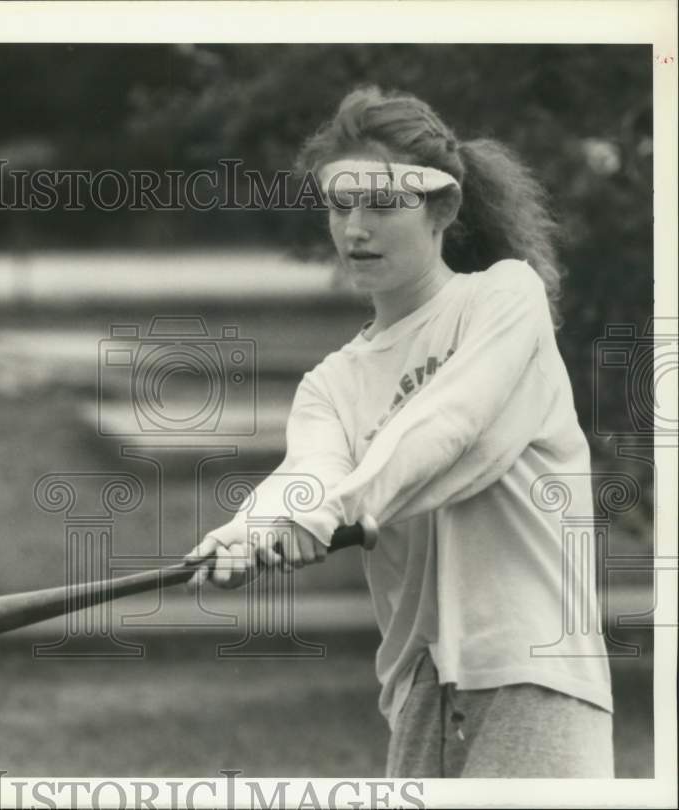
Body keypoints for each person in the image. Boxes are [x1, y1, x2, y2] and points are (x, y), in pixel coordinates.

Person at [186, 85, 614, 778]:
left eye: (382, 205)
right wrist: (255, 524)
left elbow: (449, 427)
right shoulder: (332, 381)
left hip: (535, 674)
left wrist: (329, 511)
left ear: (442, 208)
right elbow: (310, 473)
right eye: (340, 205)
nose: (356, 229)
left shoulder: (505, 298)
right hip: (418, 698)